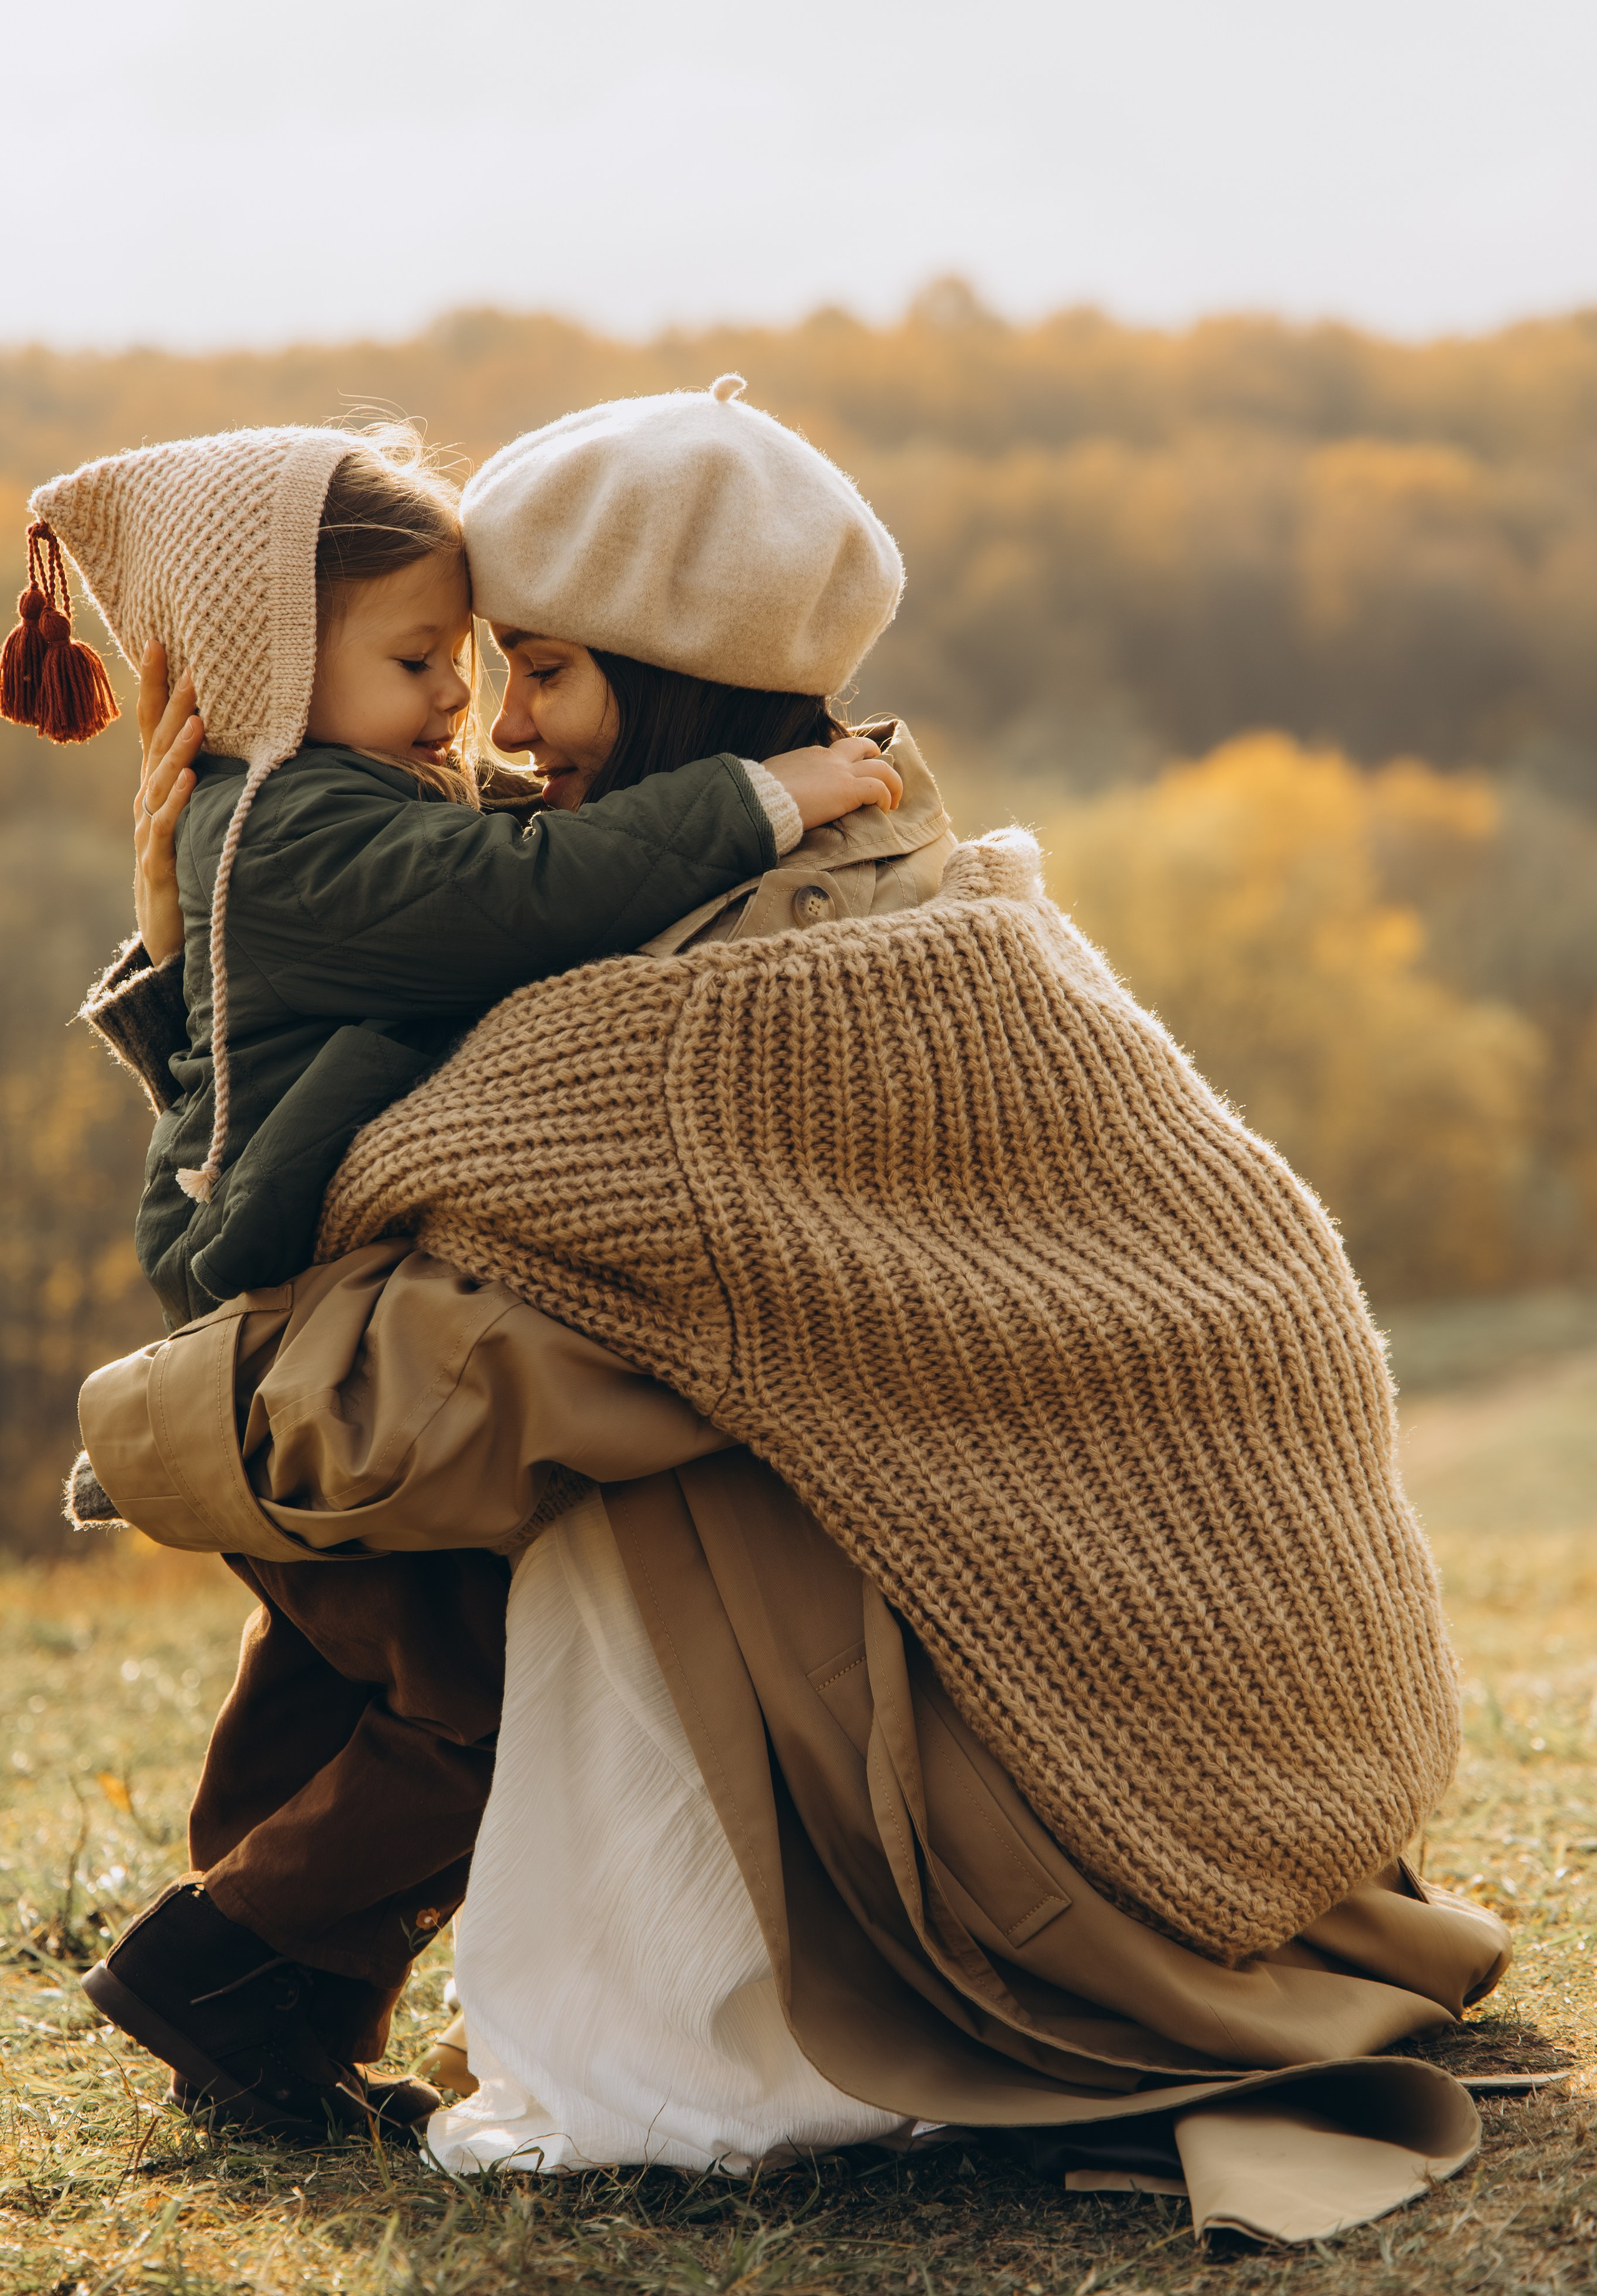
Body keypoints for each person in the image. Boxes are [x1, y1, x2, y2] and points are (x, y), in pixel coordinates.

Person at [79, 384, 1520, 2245]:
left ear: (674, 682)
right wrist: (202, 935)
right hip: (1271, 1727)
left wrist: (151, 1438)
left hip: (1079, 1751)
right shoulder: (931, 885)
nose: (499, 729)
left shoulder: (694, 1027)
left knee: (570, 1447)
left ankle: (314, 1963)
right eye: (476, 666)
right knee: (591, 1395)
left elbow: (367, 1359)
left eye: (544, 673)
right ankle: (261, 1961)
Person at [19, 400, 902, 2136]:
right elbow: (525, 892)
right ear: (277, 660)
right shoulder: (296, 830)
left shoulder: (300, 808)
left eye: (482, 659)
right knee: (475, 1689)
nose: (462, 705)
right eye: (426, 656)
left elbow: (484, 848)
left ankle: (257, 2017)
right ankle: (233, 1965)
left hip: (281, 1337)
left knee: (345, 1666)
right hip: (288, 1336)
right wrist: (763, 793)